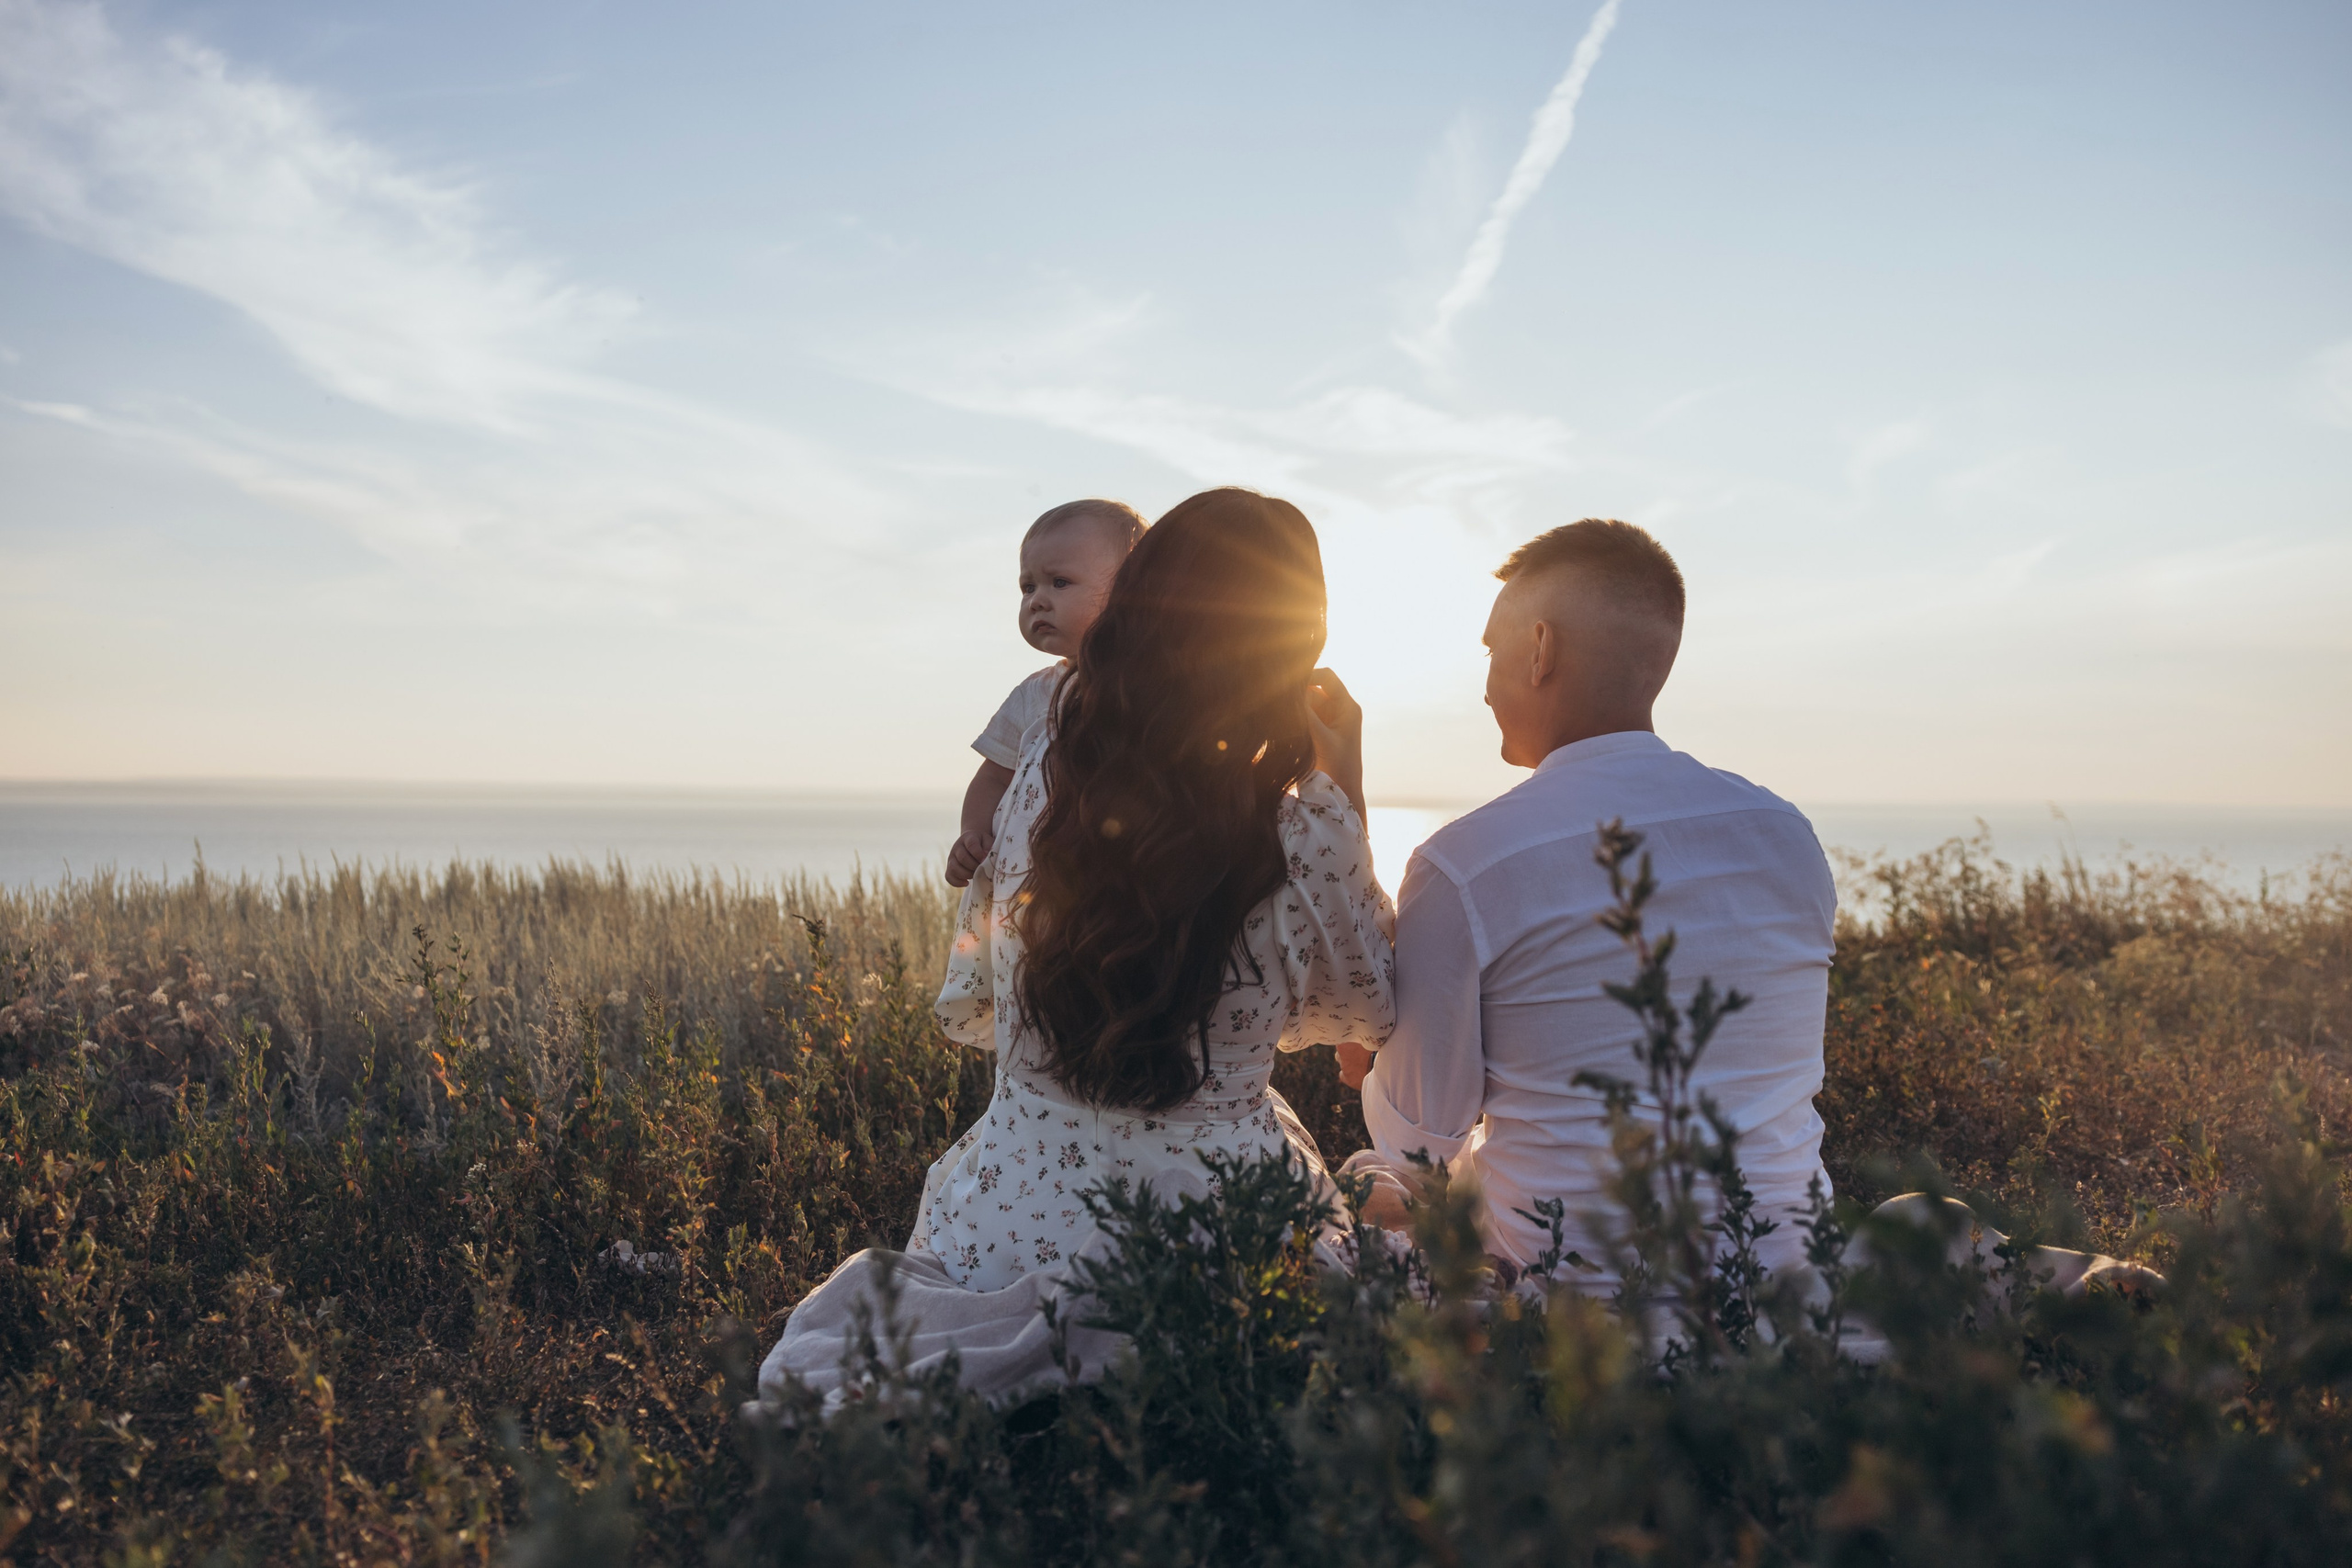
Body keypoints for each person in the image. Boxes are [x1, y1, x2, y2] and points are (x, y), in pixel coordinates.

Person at [756, 488, 1396, 1410]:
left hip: (1011, 1206)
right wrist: (1346, 784)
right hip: (1209, 1215)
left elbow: (983, 970)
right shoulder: (1301, 827)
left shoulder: (1040, 779)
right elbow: (1365, 1010)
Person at [1337, 518, 1839, 1286]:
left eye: (1491, 650)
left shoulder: (1466, 861)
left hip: (1570, 1301)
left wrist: (1377, 1062)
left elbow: (1418, 1149)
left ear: (1540, 650)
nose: (1483, 682)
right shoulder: (1787, 833)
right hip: (1784, 1274)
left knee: (1367, 1180)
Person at [945, 498, 1148, 889]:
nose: (1036, 599)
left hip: (1118, 876)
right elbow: (993, 778)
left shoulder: (1150, 686)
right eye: (1027, 586)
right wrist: (972, 836)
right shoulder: (1035, 695)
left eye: (1059, 582)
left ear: (1131, 590)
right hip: (1029, 884)